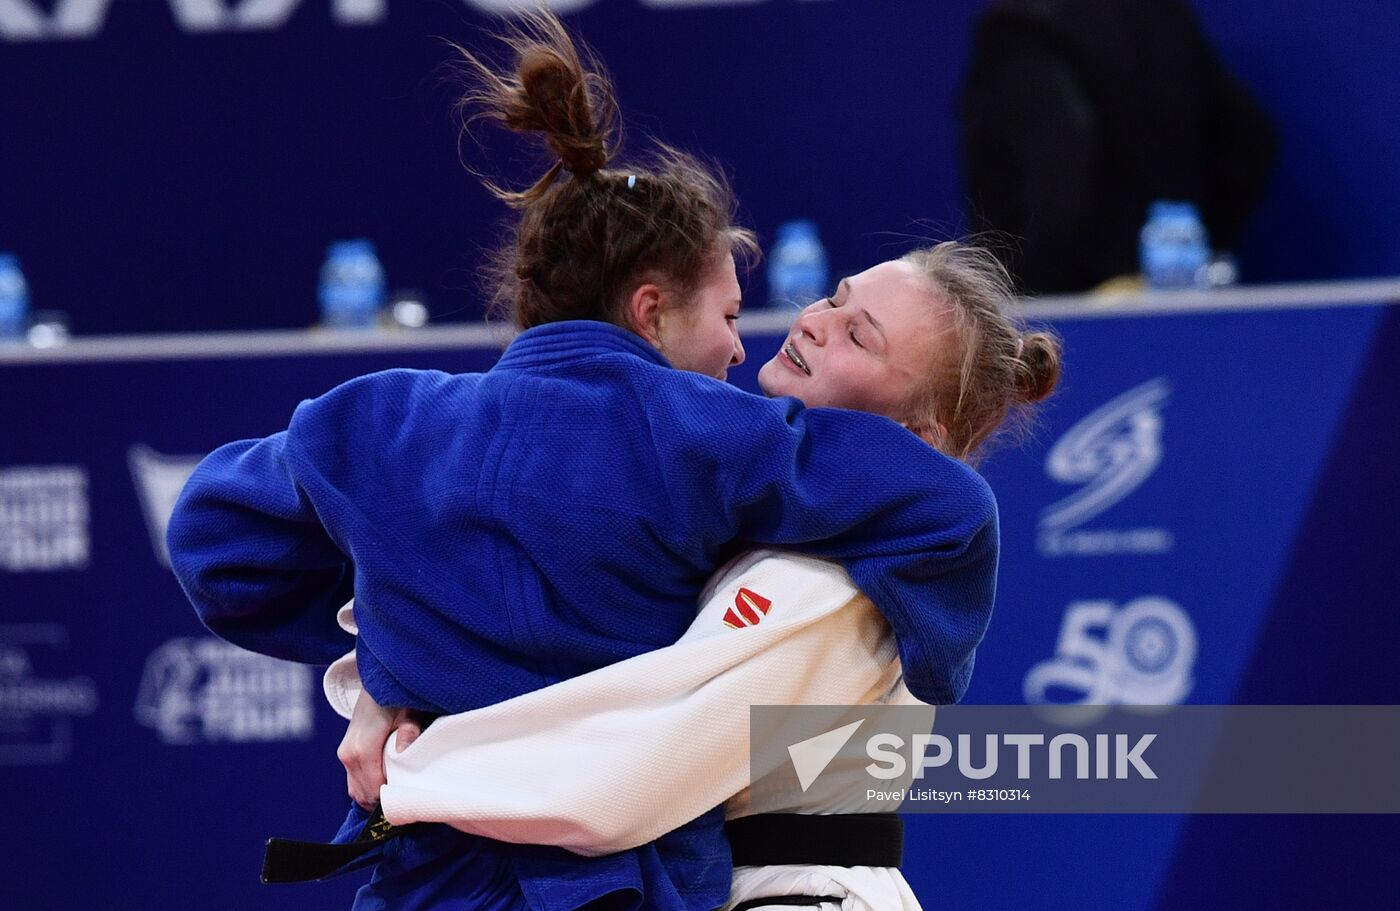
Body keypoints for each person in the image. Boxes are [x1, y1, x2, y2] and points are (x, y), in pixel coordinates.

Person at [167, 12, 1003, 911]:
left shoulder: (382, 420)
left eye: (856, 333)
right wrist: (394, 648)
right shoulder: (707, 441)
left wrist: (411, 668)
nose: (756, 339)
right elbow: (950, 512)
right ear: (650, 310)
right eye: (730, 315)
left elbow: (212, 537)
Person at [331, 244, 1063, 911]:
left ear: (917, 439)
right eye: (836, 299)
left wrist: (416, 777)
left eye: (858, 334)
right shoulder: (743, 508)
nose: (816, 322)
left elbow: (636, 768)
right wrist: (390, 684)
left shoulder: (848, 586)